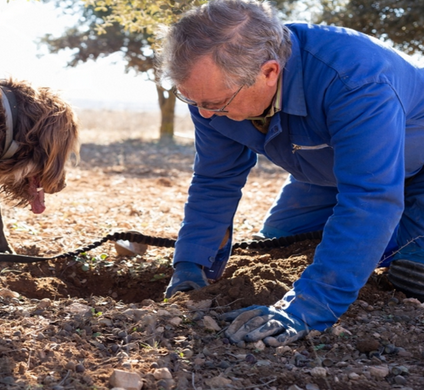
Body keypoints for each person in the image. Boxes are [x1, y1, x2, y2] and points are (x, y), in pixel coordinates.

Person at [159, 0, 424, 346]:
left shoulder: (356, 78)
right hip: (325, 170)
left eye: (215, 104)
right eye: (193, 101)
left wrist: (305, 308)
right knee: (279, 247)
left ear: (269, 73)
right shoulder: (211, 94)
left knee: (408, 263)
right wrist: (192, 262)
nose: (205, 116)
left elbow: (371, 197)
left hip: (410, 171)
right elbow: (215, 179)